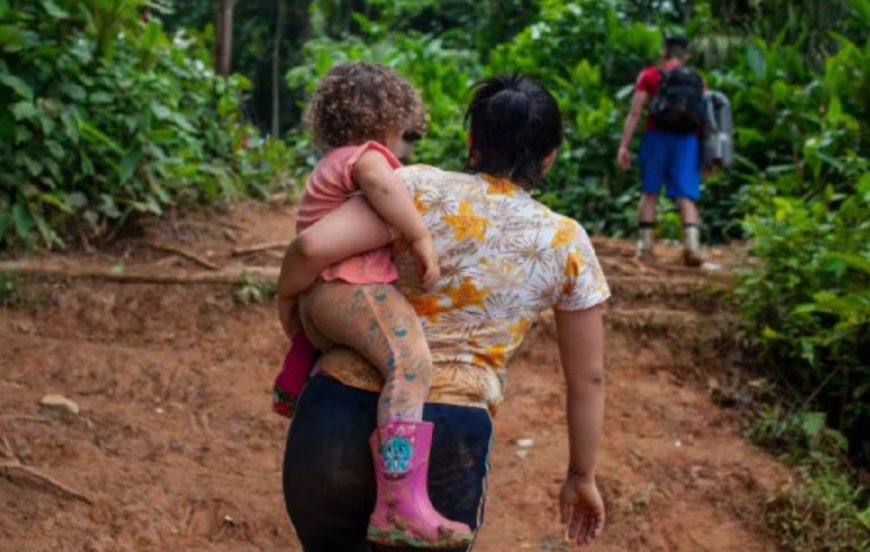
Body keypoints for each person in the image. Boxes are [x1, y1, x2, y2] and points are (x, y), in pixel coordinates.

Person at [279, 74, 610, 551]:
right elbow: (588, 379)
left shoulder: (411, 187)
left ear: (472, 141)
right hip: (447, 436)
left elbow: (312, 249)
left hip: (333, 414)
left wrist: (287, 301)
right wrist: (581, 475)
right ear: (549, 157)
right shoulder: (565, 242)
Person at [276, 61, 473, 548]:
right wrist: (419, 234)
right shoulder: (367, 158)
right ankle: (399, 499)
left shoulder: (330, 162)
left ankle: (297, 388)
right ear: (391, 116)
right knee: (410, 363)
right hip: (352, 290)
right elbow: (384, 186)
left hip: (324, 300)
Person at [617, 35, 706, 266]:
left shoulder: (649, 75)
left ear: (663, 53)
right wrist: (708, 155)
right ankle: (693, 247)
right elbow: (706, 119)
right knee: (686, 196)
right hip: (688, 141)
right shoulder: (697, 79)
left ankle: (645, 247)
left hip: (656, 138)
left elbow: (636, 112)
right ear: (686, 56)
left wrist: (624, 146)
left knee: (650, 193)